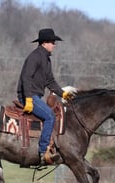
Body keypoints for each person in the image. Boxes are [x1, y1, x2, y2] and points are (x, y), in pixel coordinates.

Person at [17, 28, 74, 165]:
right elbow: (26, 78)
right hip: (27, 95)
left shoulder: (46, 59)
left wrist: (63, 94)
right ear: (44, 43)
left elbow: (50, 82)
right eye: (52, 42)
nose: (54, 45)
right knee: (50, 116)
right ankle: (44, 151)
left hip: (35, 96)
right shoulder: (35, 57)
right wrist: (29, 98)